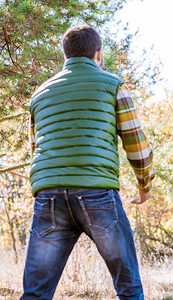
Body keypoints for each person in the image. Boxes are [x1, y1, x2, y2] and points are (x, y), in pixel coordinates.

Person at [21, 25, 155, 300]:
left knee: (35, 293)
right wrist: (145, 186)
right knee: (129, 289)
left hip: (48, 198)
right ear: (98, 53)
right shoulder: (113, 86)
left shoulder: (40, 95)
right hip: (97, 195)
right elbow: (137, 146)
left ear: (65, 55)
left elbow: (36, 150)